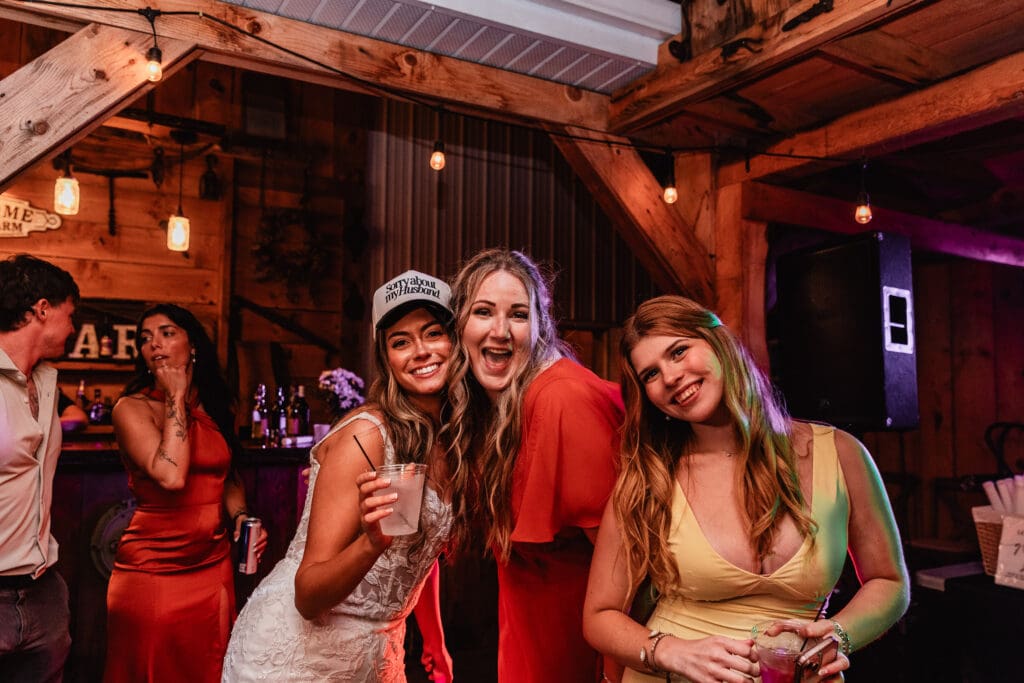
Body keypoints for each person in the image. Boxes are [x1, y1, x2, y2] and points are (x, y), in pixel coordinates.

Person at [582, 295, 910, 682]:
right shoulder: (651, 476)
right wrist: (669, 650)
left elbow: (889, 582)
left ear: (719, 343)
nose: (669, 377)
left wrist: (839, 635)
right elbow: (599, 616)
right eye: (650, 374)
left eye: (679, 351)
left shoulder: (840, 454)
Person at [222, 270, 457, 682]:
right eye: (400, 341)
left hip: (377, 652)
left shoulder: (452, 443)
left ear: (456, 341)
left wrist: (435, 643)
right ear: (386, 359)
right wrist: (371, 543)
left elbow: (419, 553)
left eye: (433, 333)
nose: (420, 351)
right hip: (297, 657)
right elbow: (308, 595)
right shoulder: (367, 435)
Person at [445, 248, 624, 682]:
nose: (501, 331)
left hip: (576, 649)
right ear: (459, 325)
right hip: (530, 636)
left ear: (541, 326)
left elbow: (625, 564)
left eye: (519, 315)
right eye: (483, 312)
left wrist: (618, 670)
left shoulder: (562, 400)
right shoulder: (503, 404)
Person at [103, 304, 267, 683]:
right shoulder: (132, 408)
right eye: (145, 338)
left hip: (212, 568)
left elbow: (228, 476)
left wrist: (241, 517)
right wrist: (175, 398)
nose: (154, 344)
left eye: (166, 332)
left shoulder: (217, 407)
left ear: (192, 344)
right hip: (153, 569)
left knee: (209, 670)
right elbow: (172, 476)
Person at [0, 254, 79, 682]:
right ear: (42, 309)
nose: (72, 327)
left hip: (43, 590)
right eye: (70, 315)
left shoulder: (47, 381)